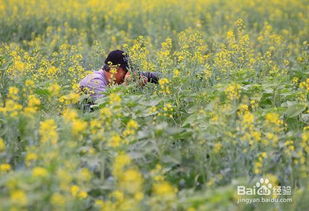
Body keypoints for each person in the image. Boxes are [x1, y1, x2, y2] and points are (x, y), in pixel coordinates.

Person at [79, 50, 159, 101]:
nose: (126, 76)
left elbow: (149, 75)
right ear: (115, 69)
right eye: (126, 71)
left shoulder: (111, 81)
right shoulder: (95, 80)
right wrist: (128, 85)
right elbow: (105, 104)